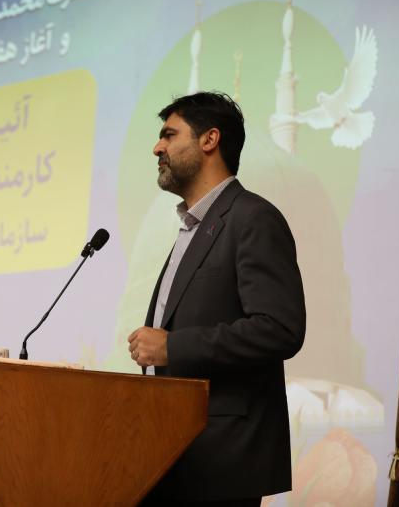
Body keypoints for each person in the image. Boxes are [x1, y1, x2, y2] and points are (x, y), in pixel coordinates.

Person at [128, 92, 306, 506]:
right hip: (171, 453)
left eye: (169, 135)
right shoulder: (192, 229)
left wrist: (172, 346)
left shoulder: (252, 218)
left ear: (210, 140)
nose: (157, 147)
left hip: (221, 459)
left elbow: (279, 329)